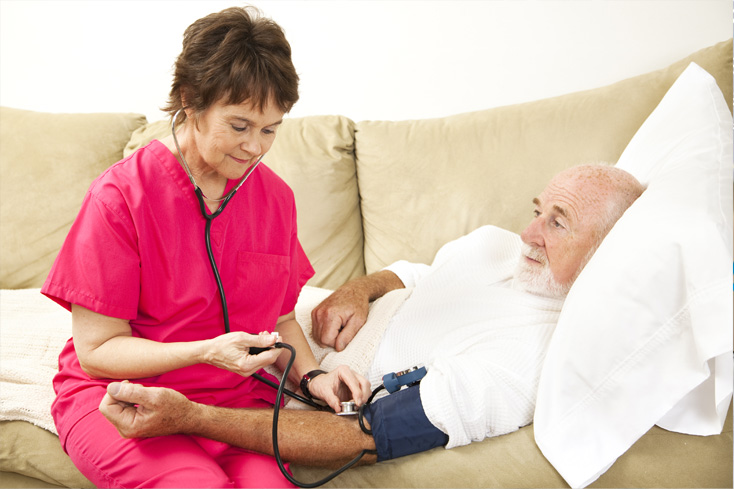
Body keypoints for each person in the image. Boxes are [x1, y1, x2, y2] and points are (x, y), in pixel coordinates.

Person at [99, 164, 645, 470]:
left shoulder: (530, 356)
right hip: (303, 328)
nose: (527, 233)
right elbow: (417, 273)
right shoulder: (498, 246)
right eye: (537, 211)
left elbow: (369, 433)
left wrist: (192, 417)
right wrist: (360, 289)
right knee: (138, 326)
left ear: (611, 251)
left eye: (558, 223)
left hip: (305, 379)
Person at [41, 7, 369, 489]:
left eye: (270, 129)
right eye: (239, 126)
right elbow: (97, 351)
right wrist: (207, 352)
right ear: (190, 101)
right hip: (126, 397)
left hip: (235, 405)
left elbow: (279, 322)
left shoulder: (276, 199)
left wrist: (315, 377)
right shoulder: (120, 198)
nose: (255, 147)